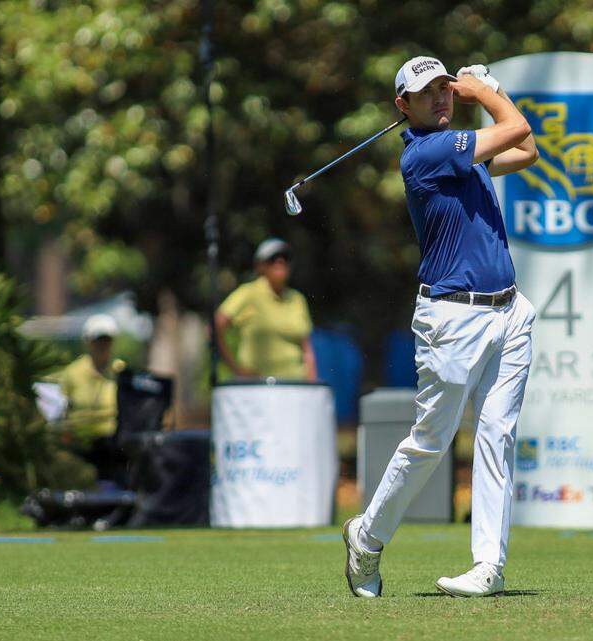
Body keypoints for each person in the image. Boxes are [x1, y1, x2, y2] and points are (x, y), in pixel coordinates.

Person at [342, 57, 537, 599]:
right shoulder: (426, 154)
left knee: (498, 434)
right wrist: (487, 89)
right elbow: (516, 127)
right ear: (403, 107)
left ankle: (487, 567)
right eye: (428, 93)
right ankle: (368, 536)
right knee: (431, 442)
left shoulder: (463, 151)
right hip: (452, 319)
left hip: (509, 311)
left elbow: (527, 150)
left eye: (446, 89)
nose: (442, 99)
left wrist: (483, 93)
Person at [215, 238, 317, 382]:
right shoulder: (248, 294)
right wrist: (237, 370)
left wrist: (311, 384)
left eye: (285, 258)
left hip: (295, 387)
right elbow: (215, 328)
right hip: (257, 388)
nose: (280, 262)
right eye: (273, 258)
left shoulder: (297, 299)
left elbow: (307, 348)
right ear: (260, 266)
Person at [57, 314, 126, 482]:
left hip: (114, 444)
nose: (102, 345)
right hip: (81, 442)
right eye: (98, 340)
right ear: (88, 342)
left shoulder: (120, 371)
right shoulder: (73, 373)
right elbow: (63, 408)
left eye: (107, 340)